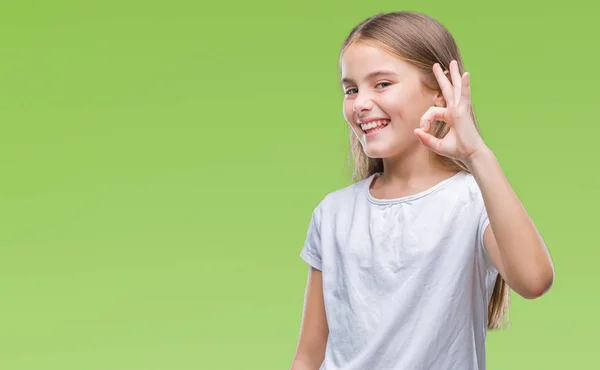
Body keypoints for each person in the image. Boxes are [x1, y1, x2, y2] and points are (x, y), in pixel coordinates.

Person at [289, 11, 555, 370]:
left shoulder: (473, 201)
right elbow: (308, 356)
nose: (361, 103)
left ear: (439, 91)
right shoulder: (332, 214)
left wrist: (477, 154)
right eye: (351, 89)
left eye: (381, 84)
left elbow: (534, 280)